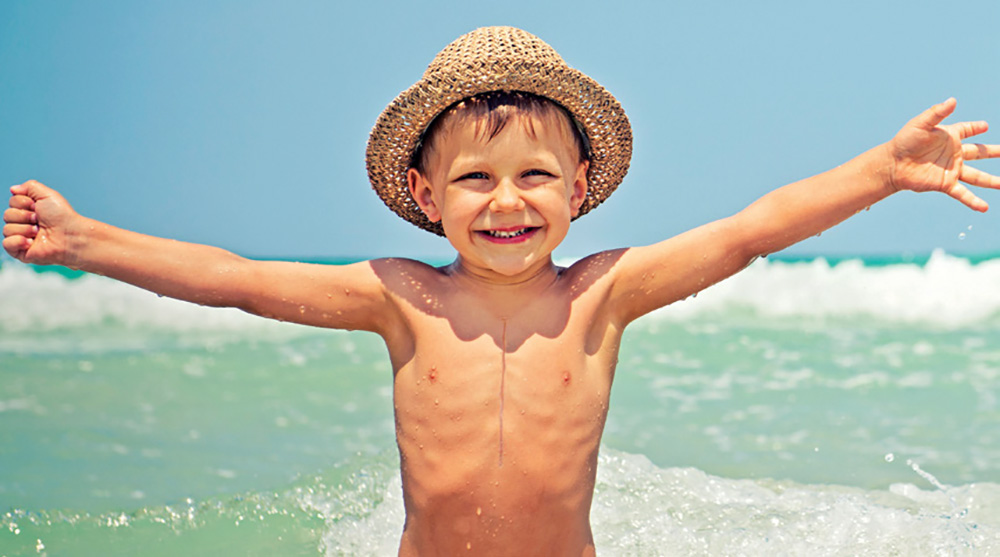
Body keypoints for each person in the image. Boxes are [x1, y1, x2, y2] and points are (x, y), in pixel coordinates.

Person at [4, 26, 999, 556]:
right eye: (476, 180)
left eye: (533, 177)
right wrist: (89, 241)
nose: (506, 201)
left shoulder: (604, 293)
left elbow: (746, 232)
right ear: (425, 194)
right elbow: (242, 282)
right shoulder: (400, 296)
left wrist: (881, 169)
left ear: (576, 190)